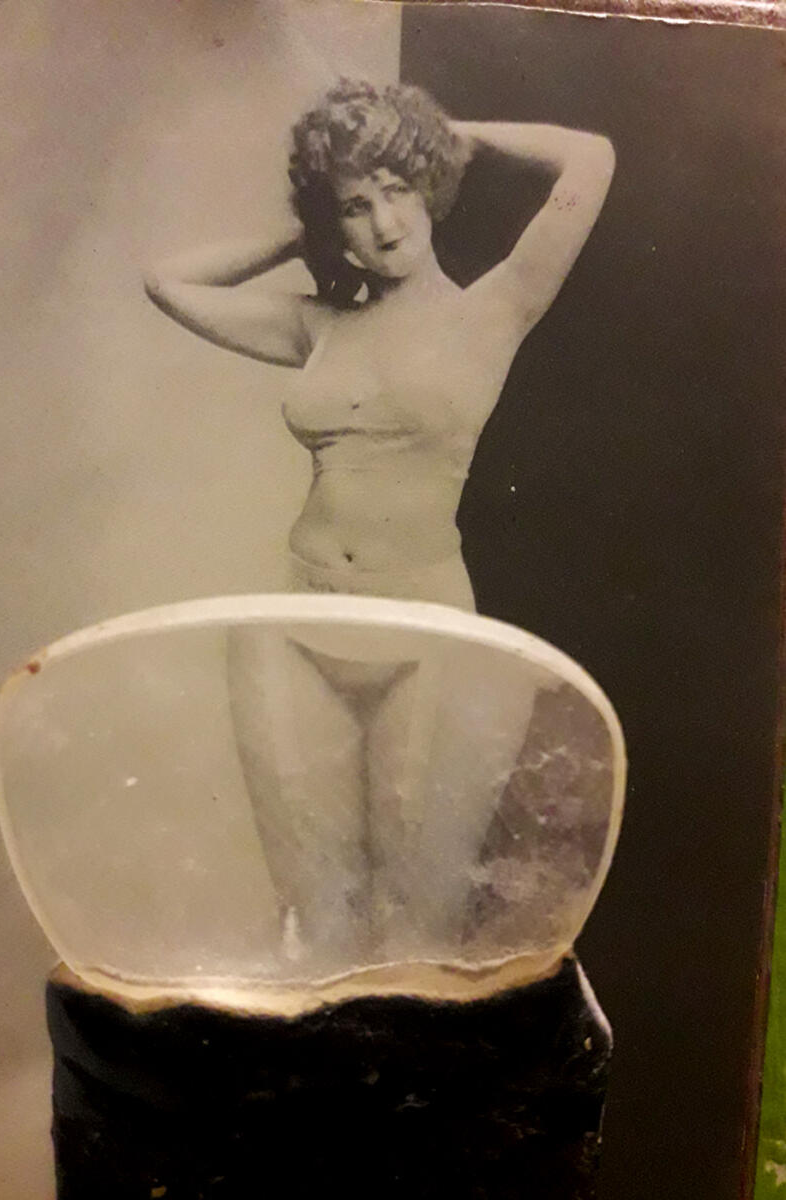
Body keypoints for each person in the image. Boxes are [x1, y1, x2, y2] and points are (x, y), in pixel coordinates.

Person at [145, 80, 615, 973]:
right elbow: (167, 283)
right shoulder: (316, 326)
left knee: (415, 923)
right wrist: (307, 228)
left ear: (429, 188)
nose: (385, 224)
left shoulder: (496, 308)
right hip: (298, 623)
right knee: (312, 918)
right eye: (356, 208)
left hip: (423, 631)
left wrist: (447, 134)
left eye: (398, 191)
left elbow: (591, 157)